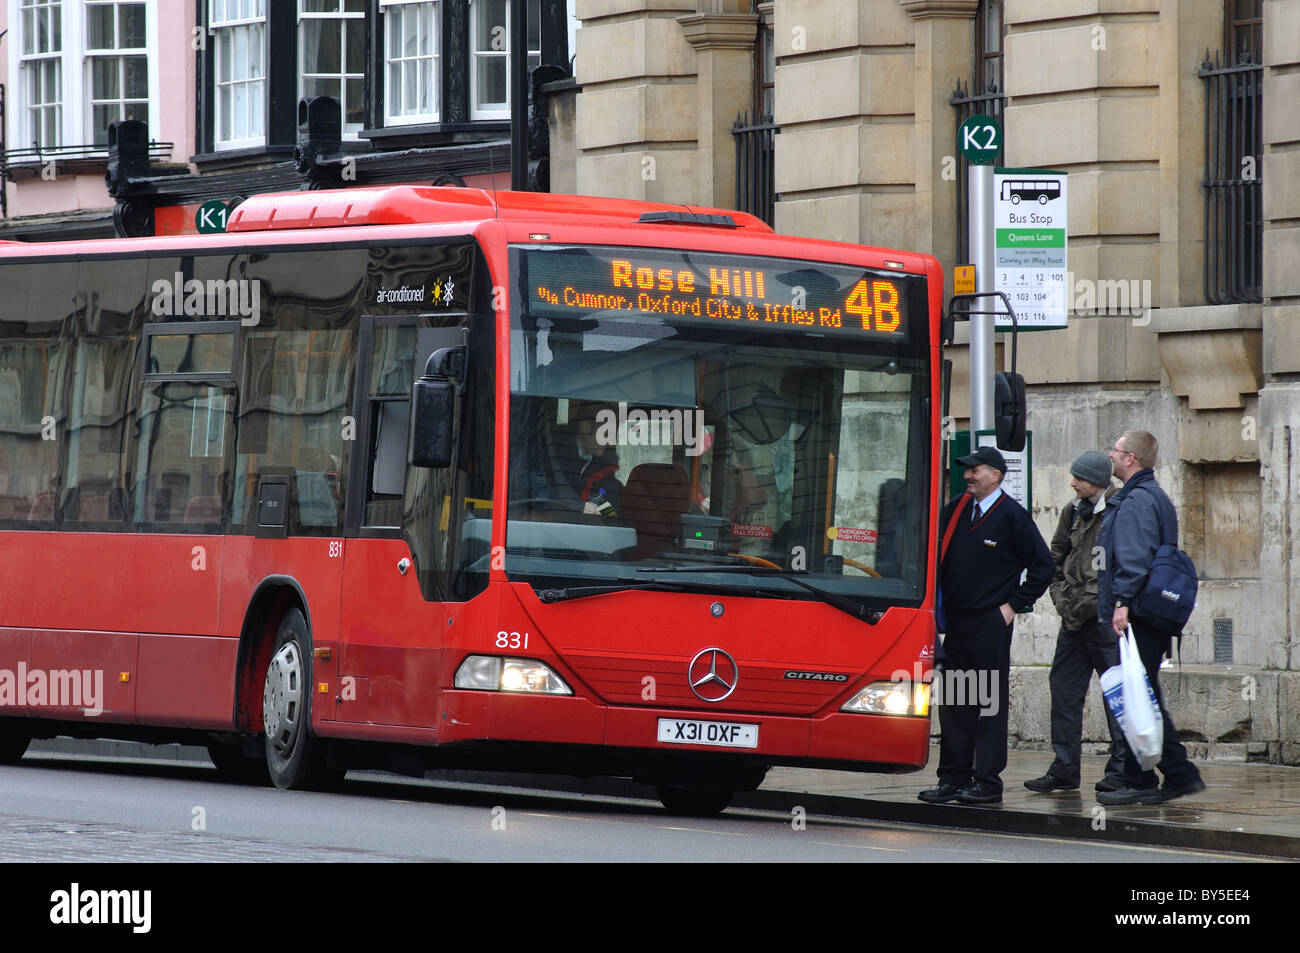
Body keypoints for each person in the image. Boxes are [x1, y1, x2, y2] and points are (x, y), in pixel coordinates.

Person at [919, 446, 1055, 805]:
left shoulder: (1012, 516)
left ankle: (987, 782)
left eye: (974, 470)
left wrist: (1014, 605)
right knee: (954, 702)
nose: (967, 476)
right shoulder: (956, 510)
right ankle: (952, 777)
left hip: (990, 623)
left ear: (995, 474)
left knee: (987, 704)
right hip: (957, 624)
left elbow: (1044, 566)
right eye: (966, 470)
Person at [1095, 430, 1206, 805]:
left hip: (1139, 612)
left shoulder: (1138, 501)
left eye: (1116, 449)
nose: (1111, 454)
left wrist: (1122, 602)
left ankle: (1176, 774)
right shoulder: (1153, 496)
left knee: (1141, 695)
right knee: (1139, 693)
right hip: (1150, 611)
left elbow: (1133, 556)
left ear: (1131, 459)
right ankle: (1140, 775)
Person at [1024, 450, 1131, 794]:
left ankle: (1120, 771)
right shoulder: (1072, 511)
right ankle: (1064, 770)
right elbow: (1054, 557)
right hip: (1073, 620)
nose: (1073, 483)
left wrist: (1118, 604)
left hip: (1106, 621)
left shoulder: (1121, 508)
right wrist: (1060, 598)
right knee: (1064, 692)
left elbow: (1132, 563)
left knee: (1117, 696)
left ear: (1098, 481)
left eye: (1079, 479)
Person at [569, 402, 624, 515]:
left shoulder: (605, 463)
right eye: (606, 434)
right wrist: (577, 506)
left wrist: (601, 512)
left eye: (614, 436)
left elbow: (611, 504)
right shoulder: (556, 451)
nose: (611, 442)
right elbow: (549, 491)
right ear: (586, 427)